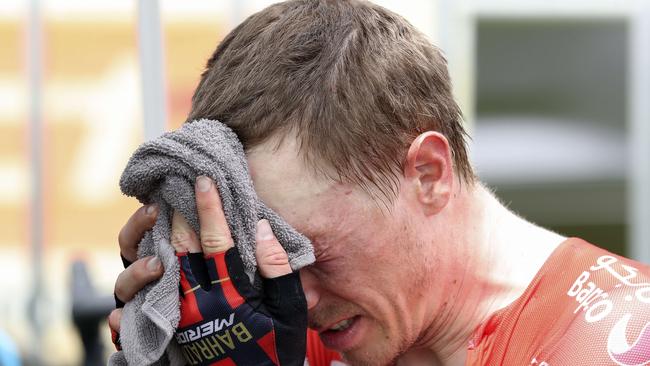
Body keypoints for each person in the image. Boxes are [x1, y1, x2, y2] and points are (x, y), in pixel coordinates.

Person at [108, 0, 650, 365]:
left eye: (313, 252)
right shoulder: (287, 333)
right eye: (260, 262)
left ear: (428, 175)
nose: (301, 295)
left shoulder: (615, 339)